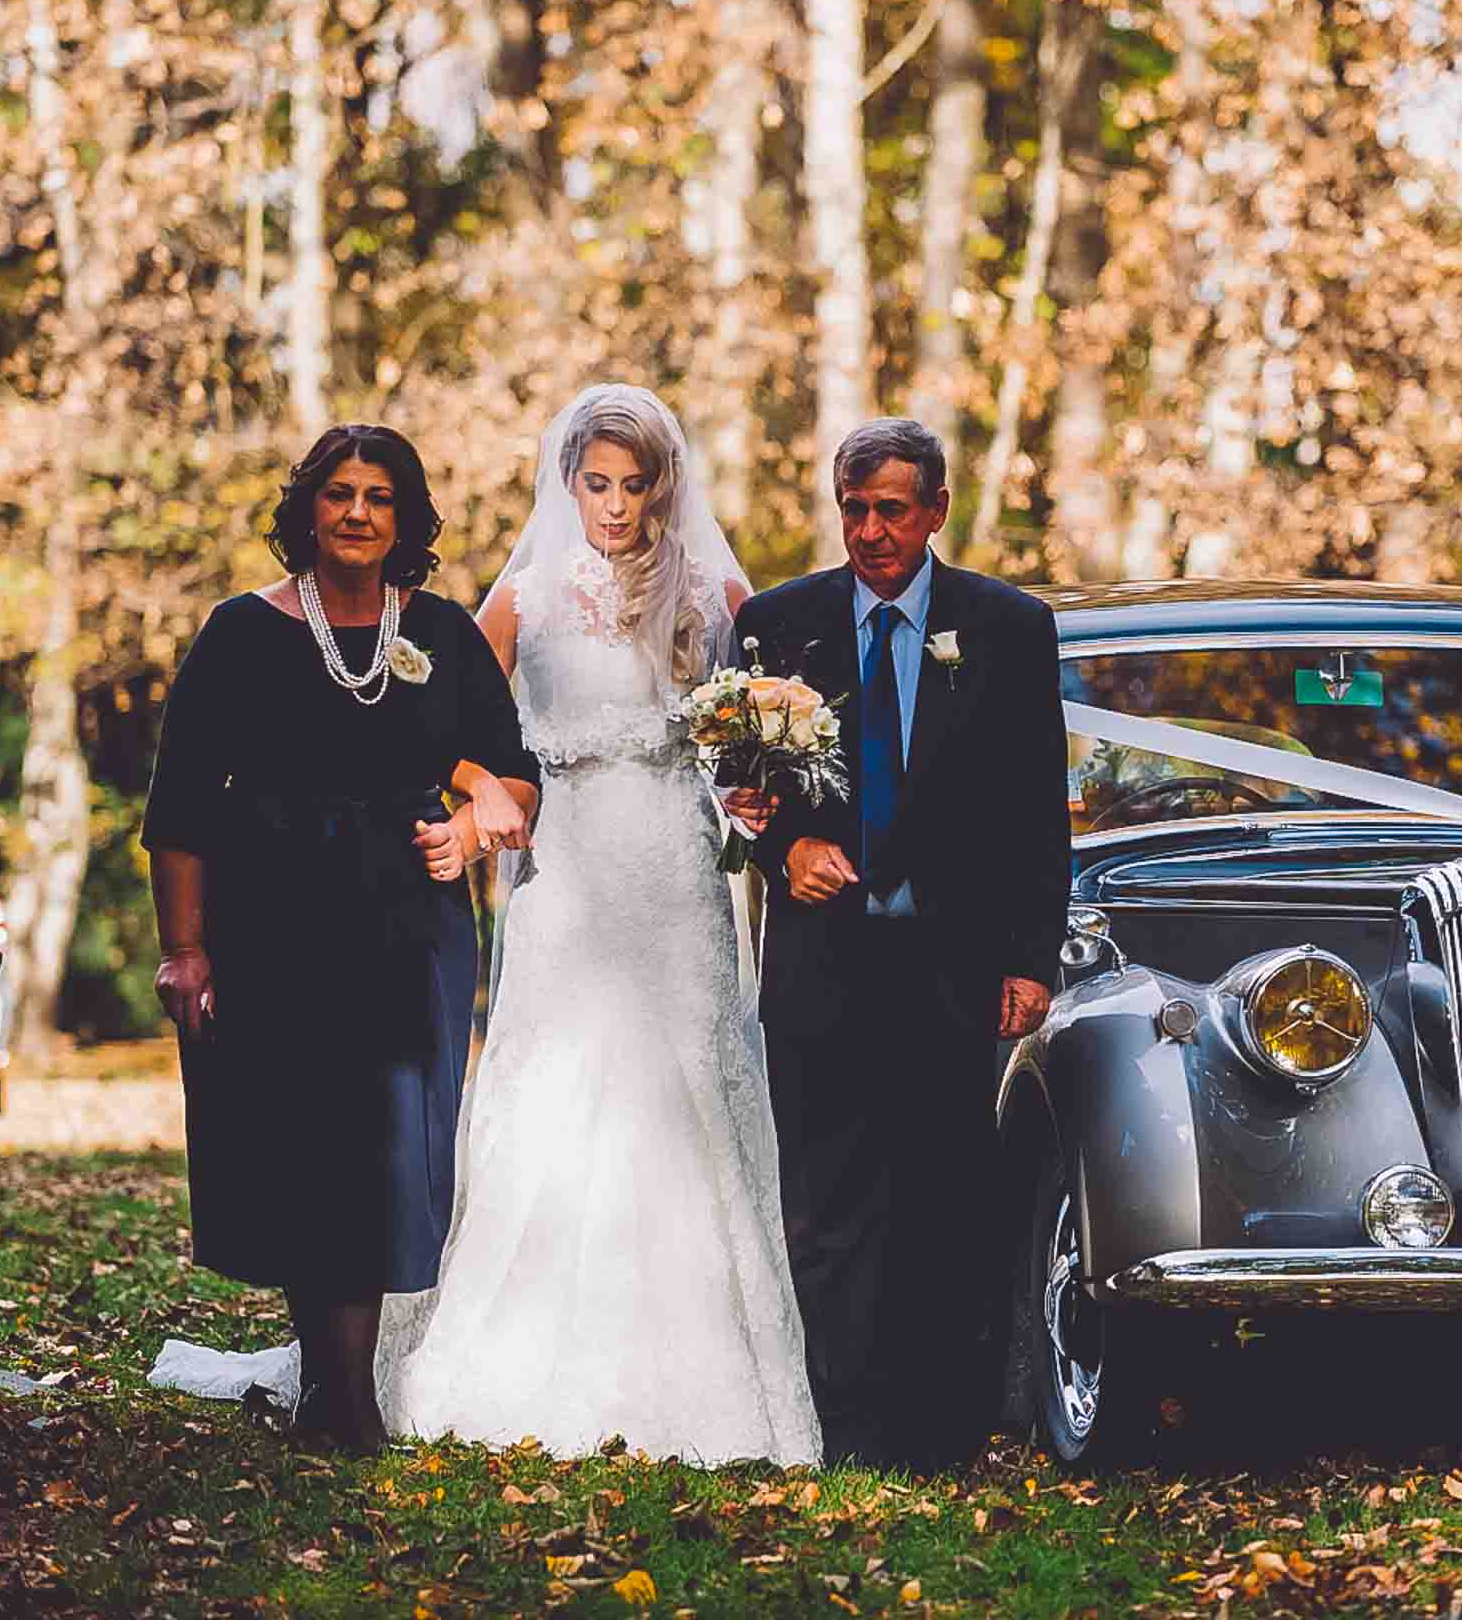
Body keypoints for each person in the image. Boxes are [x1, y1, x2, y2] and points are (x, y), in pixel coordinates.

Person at [377, 385, 821, 1467]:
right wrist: (479, 794)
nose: (615, 505)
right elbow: (445, 716)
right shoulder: (524, 596)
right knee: (564, 1072)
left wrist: (756, 783)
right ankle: (514, 1343)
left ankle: (715, 1361)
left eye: (634, 484)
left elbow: (747, 727)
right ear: (566, 483)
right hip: (567, 865)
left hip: (674, 863)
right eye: (596, 484)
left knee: (686, 1080)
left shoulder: (714, 589)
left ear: (664, 484)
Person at [142, 423, 541, 1456]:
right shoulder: (240, 631)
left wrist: (464, 828)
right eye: (338, 493)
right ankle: (332, 1382)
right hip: (271, 916)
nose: (357, 511)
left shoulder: (445, 635)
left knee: (384, 1153)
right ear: (306, 510)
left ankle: (345, 1391)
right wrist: (184, 949)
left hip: (407, 926)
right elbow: (179, 805)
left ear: (405, 519)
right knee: (298, 1140)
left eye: (377, 495)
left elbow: (513, 776)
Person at [733, 418, 1072, 1470]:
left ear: (934, 511)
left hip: (953, 964)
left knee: (942, 1198)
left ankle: (941, 1423)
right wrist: (786, 845)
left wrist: (1031, 955)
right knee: (829, 1205)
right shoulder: (777, 624)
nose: (870, 530)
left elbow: (1032, 806)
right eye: (853, 506)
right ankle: (846, 1423)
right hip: (822, 965)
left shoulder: (1007, 625)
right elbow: (743, 790)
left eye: (890, 508)